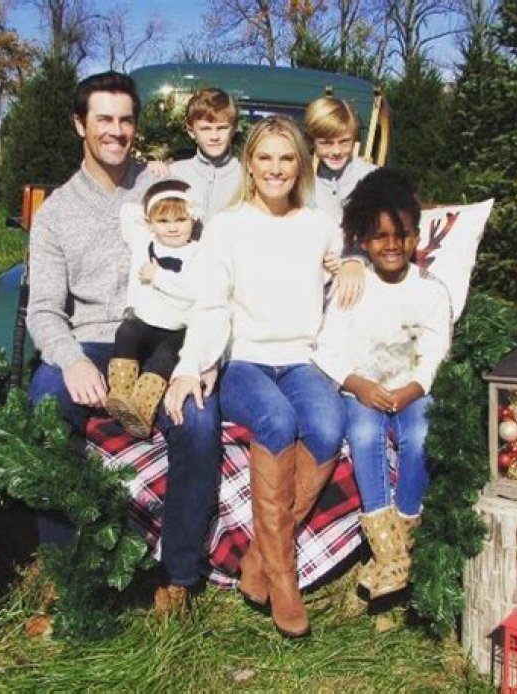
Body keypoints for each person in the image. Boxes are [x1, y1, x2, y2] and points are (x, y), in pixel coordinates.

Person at [26, 71, 222, 615]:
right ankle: (66, 568)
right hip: (92, 341)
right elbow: (44, 309)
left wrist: (204, 357)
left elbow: (212, 276)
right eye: (104, 119)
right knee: (46, 400)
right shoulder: (56, 213)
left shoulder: (165, 190)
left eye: (126, 120)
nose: (116, 131)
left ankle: (178, 574)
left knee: (198, 420)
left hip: (169, 335)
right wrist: (70, 361)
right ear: (80, 125)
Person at [164, 116, 364, 638]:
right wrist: (189, 366)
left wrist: (353, 263)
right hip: (245, 361)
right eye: (265, 158)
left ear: (301, 165)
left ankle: (258, 559)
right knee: (276, 420)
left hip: (301, 359)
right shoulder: (227, 226)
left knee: (327, 424)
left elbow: (353, 250)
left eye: (286, 158)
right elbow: (211, 305)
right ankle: (284, 577)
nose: (276, 168)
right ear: (249, 164)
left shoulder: (318, 223)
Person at [313, 168, 452, 600]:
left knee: (420, 433)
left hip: (411, 389)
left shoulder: (431, 291)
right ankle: (388, 550)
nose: (392, 245)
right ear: (363, 239)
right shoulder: (353, 286)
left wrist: (415, 388)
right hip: (362, 388)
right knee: (363, 433)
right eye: (379, 237)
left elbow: (435, 351)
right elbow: (327, 348)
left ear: (416, 237)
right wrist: (358, 385)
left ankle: (401, 544)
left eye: (402, 235)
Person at [106, 179, 201, 439]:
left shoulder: (198, 252)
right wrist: (156, 178)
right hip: (144, 321)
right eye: (163, 221)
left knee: (165, 358)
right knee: (126, 333)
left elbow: (193, 291)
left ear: (193, 219)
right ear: (150, 223)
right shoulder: (144, 241)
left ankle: (141, 410)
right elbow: (128, 211)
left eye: (180, 220)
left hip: (177, 328)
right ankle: (121, 396)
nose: (172, 228)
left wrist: (158, 276)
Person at [148, 87, 242, 221]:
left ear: (233, 129)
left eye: (222, 128)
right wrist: (150, 168)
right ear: (191, 131)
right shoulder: (174, 173)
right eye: (205, 129)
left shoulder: (245, 176)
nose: (214, 137)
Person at [303, 96, 377, 224]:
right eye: (327, 143)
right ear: (311, 142)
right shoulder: (305, 184)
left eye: (344, 142)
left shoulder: (375, 179)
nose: (336, 151)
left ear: (354, 139)